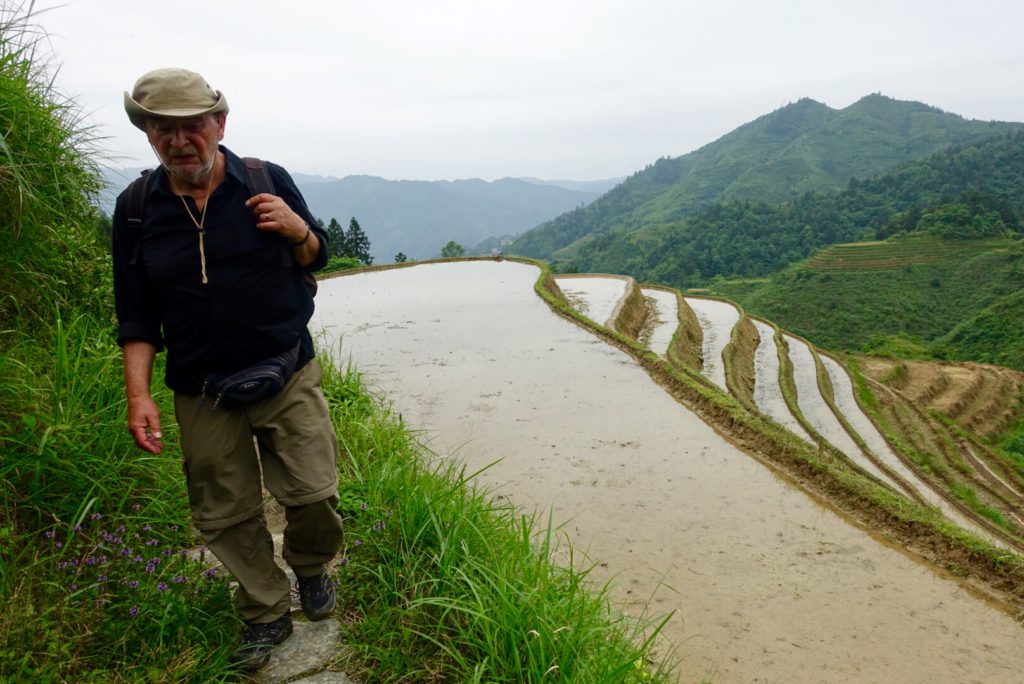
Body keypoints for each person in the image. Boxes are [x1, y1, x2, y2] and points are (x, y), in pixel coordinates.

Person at [111, 68, 344, 671]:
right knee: (224, 509)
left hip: (286, 367)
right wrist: (139, 395)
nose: (181, 140)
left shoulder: (267, 180)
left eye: (193, 125)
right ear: (148, 133)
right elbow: (135, 315)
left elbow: (316, 251)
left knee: (314, 491)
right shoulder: (136, 209)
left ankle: (313, 568)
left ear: (220, 123)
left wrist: (300, 232)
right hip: (201, 385)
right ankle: (265, 610)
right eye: (165, 129)